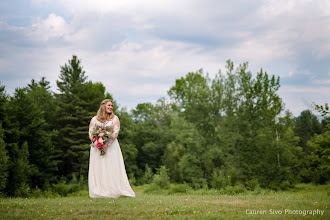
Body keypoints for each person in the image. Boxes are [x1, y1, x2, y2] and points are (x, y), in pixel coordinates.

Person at [88, 99, 135, 198]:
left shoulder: (115, 119)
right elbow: (91, 133)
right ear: (103, 106)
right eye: (109, 105)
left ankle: (113, 189)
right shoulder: (94, 119)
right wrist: (97, 143)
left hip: (111, 147)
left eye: (112, 106)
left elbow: (115, 133)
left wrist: (106, 144)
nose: (110, 107)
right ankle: (99, 189)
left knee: (111, 166)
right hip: (97, 148)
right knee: (99, 168)